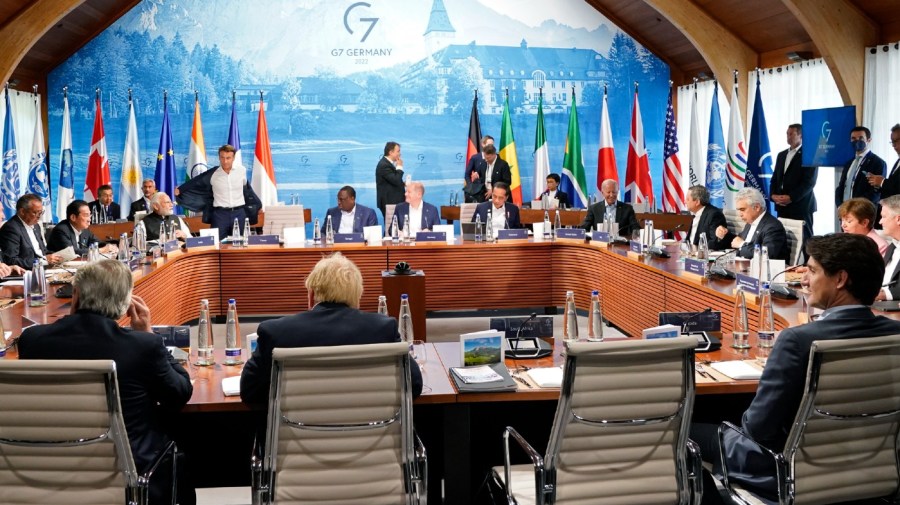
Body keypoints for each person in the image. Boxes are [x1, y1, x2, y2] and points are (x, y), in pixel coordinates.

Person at [691, 233, 900, 502]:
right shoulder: (895, 335)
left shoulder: (798, 340)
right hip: (871, 468)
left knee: (682, 432)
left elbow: (758, 429)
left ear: (840, 279)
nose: (803, 280)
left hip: (786, 471)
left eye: (812, 271)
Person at [17, 259, 194, 504]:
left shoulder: (32, 341)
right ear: (125, 306)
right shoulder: (142, 346)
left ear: (75, 296)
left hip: (49, 469)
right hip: (128, 472)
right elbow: (179, 393)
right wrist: (149, 334)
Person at [240, 252, 423, 408]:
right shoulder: (383, 329)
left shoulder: (275, 332)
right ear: (357, 297)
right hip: (370, 441)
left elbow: (249, 393)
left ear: (311, 295)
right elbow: (414, 384)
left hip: (297, 442)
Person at [175, 144, 262, 240]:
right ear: (219, 157)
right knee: (217, 244)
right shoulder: (213, 173)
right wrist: (181, 189)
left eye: (228, 158)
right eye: (222, 157)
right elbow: (196, 181)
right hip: (220, 215)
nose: (225, 161)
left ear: (233, 158)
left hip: (239, 213)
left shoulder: (241, 170)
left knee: (242, 243)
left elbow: (248, 191)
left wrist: (257, 205)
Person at [770, 123, 817, 237]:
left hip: (801, 205)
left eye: (792, 134)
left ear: (801, 136)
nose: (788, 136)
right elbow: (775, 178)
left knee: (805, 238)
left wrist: (791, 197)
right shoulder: (781, 155)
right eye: (787, 134)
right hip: (782, 206)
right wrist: (772, 195)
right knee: (784, 239)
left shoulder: (809, 155)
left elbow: (809, 182)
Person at [715, 187, 788, 260]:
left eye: (742, 210)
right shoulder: (750, 222)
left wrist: (742, 244)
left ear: (756, 207)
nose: (740, 214)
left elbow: (767, 255)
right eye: (739, 210)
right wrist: (724, 235)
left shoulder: (772, 227)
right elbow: (737, 241)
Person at [0, 194, 63, 269]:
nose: (39, 216)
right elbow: (11, 261)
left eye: (41, 212)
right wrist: (43, 261)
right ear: (22, 211)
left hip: (43, 268)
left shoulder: (35, 225)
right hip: (27, 273)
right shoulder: (11, 228)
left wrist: (58, 256)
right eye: (36, 212)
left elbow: (42, 252)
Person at [835, 126, 886, 208]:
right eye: (853, 138)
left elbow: (876, 192)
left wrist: (856, 208)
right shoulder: (849, 163)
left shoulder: (878, 163)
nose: (856, 141)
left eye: (861, 138)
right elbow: (841, 187)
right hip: (845, 210)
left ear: (869, 140)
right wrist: (839, 205)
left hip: (863, 211)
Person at [48, 199, 118, 256]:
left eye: (89, 215)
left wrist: (109, 246)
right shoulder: (61, 230)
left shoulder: (84, 229)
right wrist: (101, 250)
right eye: (86, 215)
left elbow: (97, 242)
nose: (89, 219)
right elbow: (72, 252)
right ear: (73, 217)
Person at [684, 185, 732, 250]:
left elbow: (715, 242)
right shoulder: (696, 214)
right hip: (690, 253)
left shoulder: (714, 215)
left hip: (703, 255)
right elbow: (690, 239)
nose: (685, 202)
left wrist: (698, 249)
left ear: (697, 202)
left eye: (687, 199)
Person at [867, 123, 900, 201]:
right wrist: (878, 184)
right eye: (892, 142)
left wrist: (882, 182)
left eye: (896, 141)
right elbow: (893, 186)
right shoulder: (898, 161)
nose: (893, 145)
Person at [876, 195, 900, 301]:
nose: (880, 222)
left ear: (898, 219)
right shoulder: (892, 246)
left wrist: (885, 294)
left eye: (883, 217)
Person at [375, 141, 405, 219]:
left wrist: (403, 184)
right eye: (398, 151)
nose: (400, 154)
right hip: (389, 203)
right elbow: (396, 180)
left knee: (394, 227)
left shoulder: (387, 164)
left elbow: (392, 181)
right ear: (391, 152)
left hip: (392, 202)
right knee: (391, 228)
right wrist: (399, 166)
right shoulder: (384, 165)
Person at [464, 135, 494, 203]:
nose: (491, 147)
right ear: (483, 144)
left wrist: (493, 189)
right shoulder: (475, 158)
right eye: (489, 144)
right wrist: (471, 186)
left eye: (492, 145)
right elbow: (467, 174)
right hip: (479, 193)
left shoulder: (497, 157)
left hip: (493, 191)